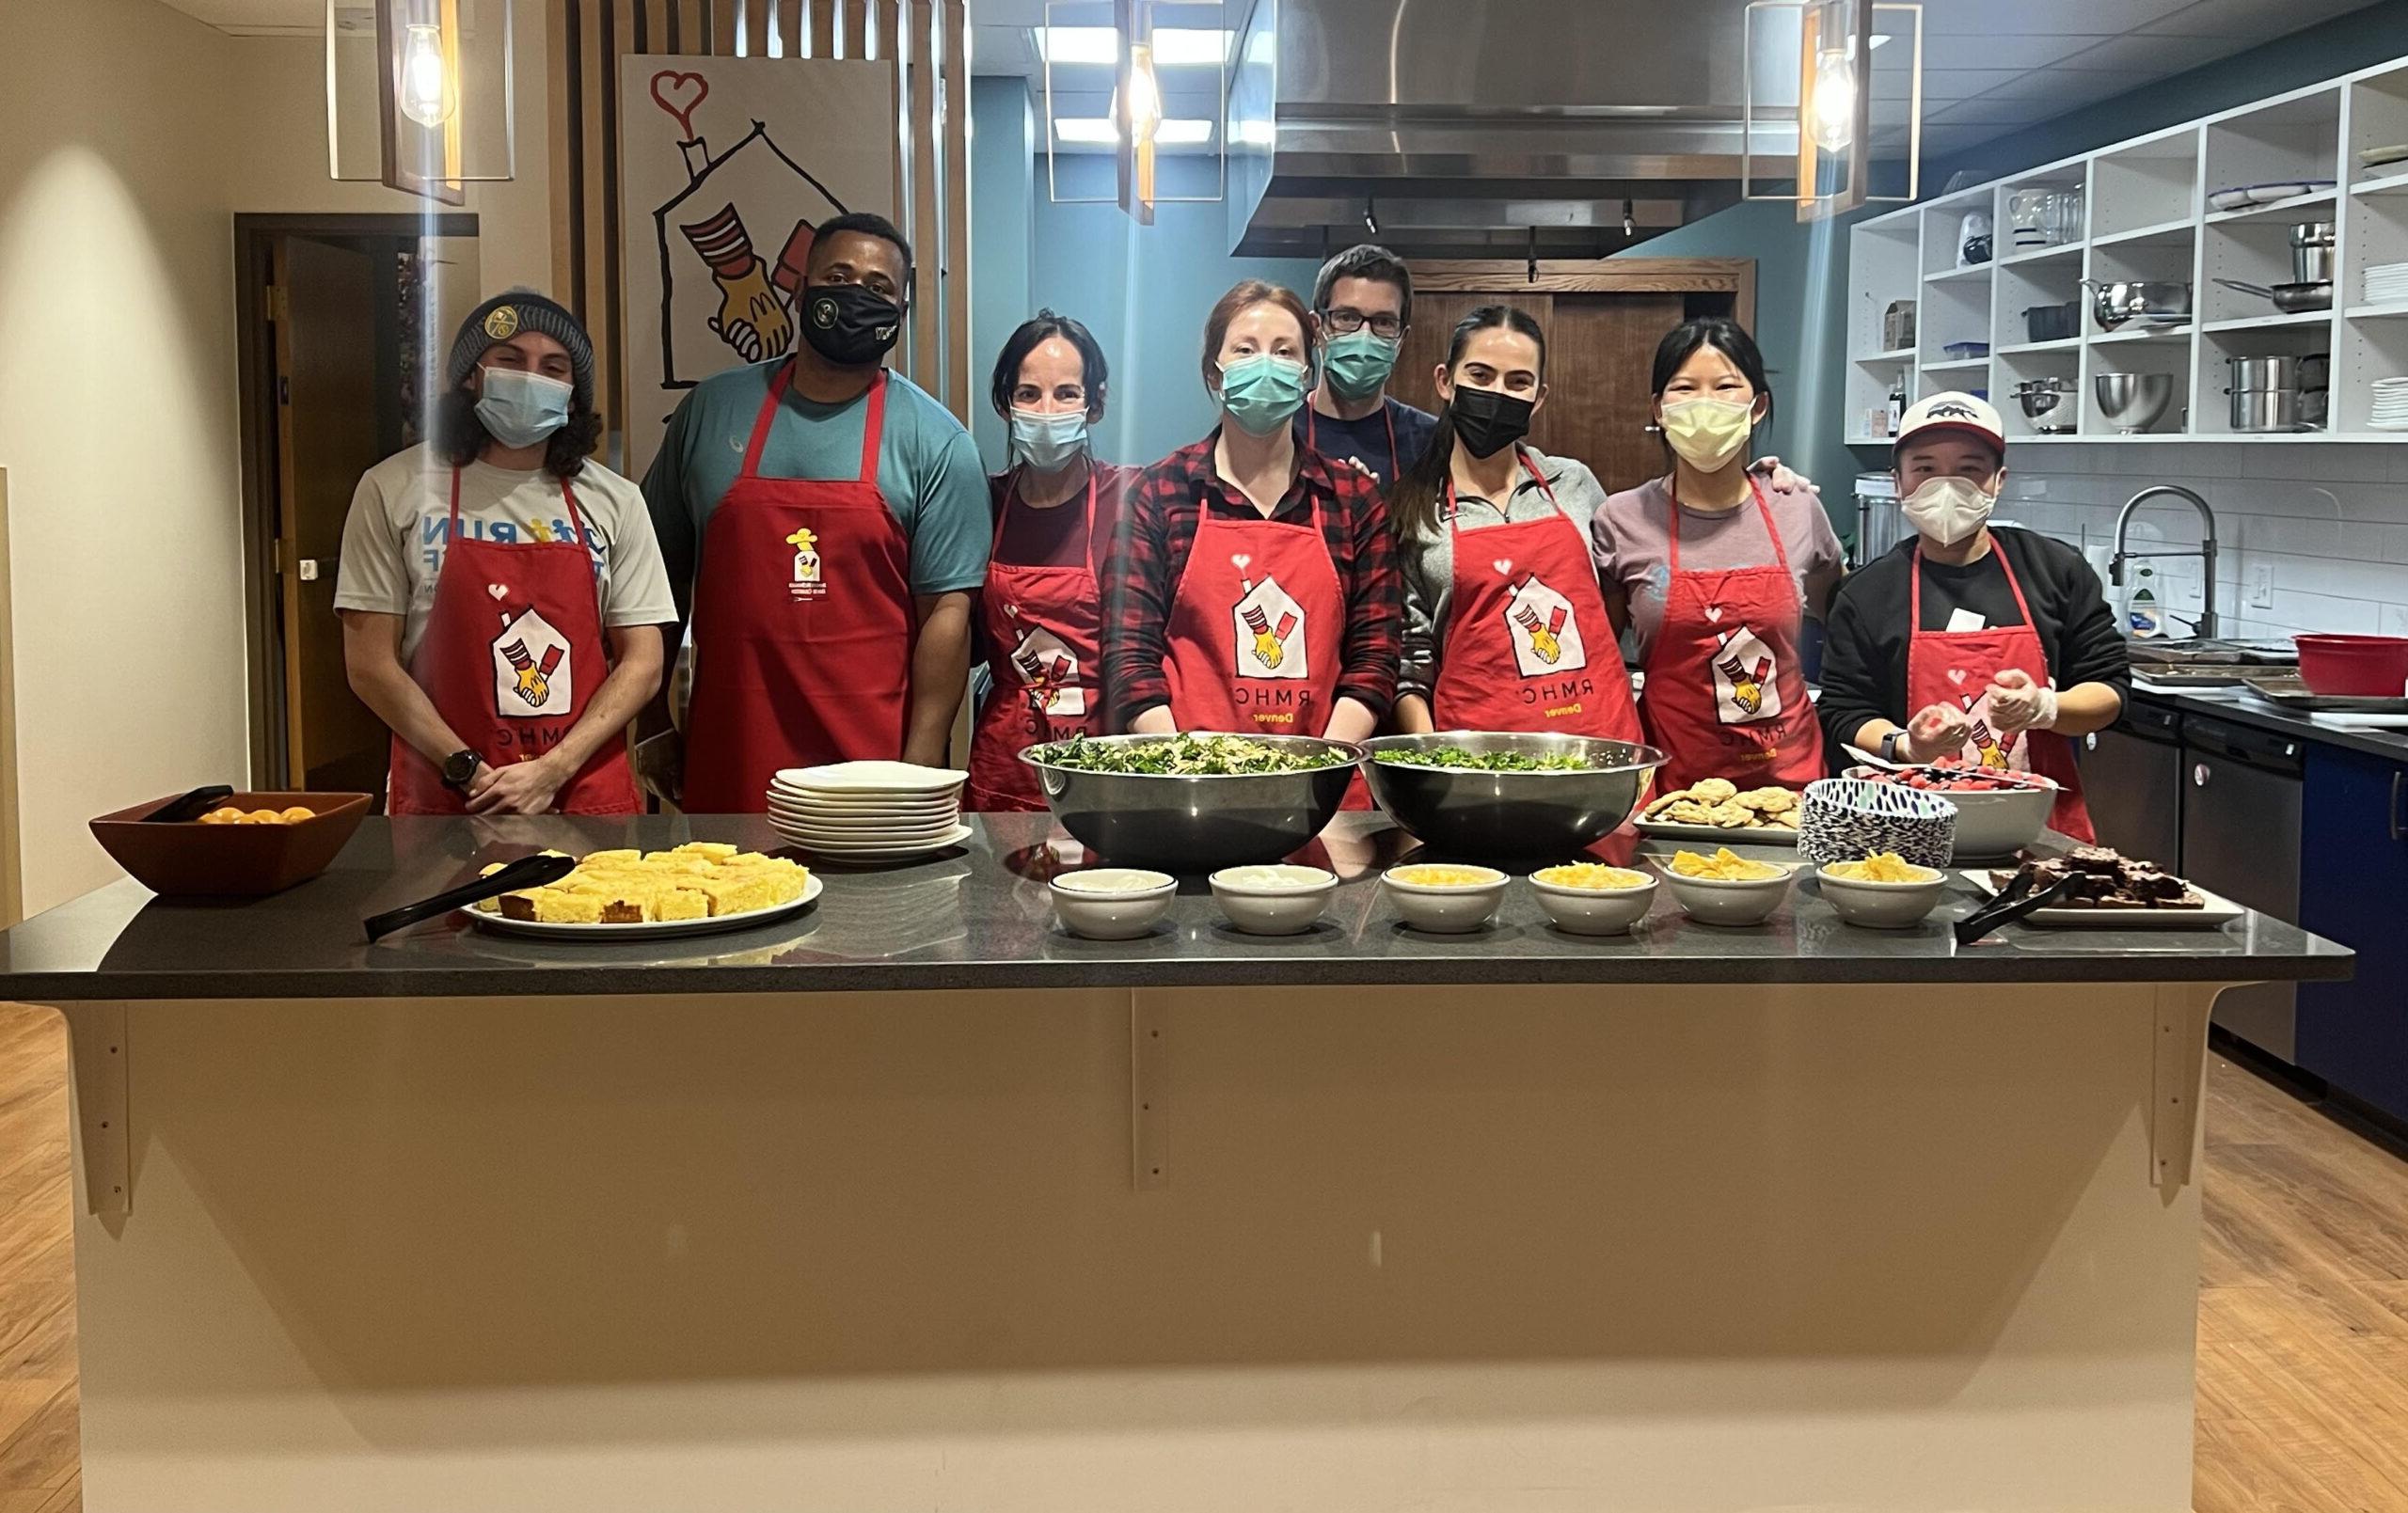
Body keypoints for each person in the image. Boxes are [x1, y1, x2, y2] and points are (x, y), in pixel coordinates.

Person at [643, 212, 989, 812]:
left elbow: (947, 618)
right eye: (839, 276)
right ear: (800, 290)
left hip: (874, 773)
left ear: (900, 314)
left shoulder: (938, 442)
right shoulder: (712, 411)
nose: (858, 296)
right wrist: (652, 723)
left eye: (880, 288)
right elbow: (654, 584)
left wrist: (921, 771)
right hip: (731, 753)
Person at [337, 292, 673, 815]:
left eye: (553, 367)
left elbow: (644, 663)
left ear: (572, 393)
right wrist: (466, 768)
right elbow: (370, 666)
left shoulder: (617, 500)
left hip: (580, 792)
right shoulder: (392, 488)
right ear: (472, 375)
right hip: (446, 794)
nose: (531, 377)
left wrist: (553, 769)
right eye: (510, 360)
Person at [1103, 279, 1400, 755]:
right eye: (1245, 349)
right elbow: (1130, 659)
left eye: (1284, 352)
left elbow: (1375, 658)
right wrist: (1193, 766)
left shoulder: (1354, 500)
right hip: (1190, 789)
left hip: (1326, 794)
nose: (1266, 364)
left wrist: (1322, 765)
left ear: (1306, 374)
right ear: (1215, 373)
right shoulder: (1159, 494)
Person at [1818, 393, 2127, 842]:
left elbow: (2110, 690)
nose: (1946, 486)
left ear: (1998, 480)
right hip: (1908, 829)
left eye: (1969, 469)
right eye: (1924, 469)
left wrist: (2045, 707)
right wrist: (1908, 744)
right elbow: (1845, 711)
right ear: (1899, 483)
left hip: (2039, 834)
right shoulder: (1868, 593)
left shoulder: (2055, 570)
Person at [1592, 317, 1844, 795]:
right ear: (1659, 409)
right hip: (1672, 788)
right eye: (1684, 388)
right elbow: (1601, 659)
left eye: (1726, 386)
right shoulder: (1620, 519)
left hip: (1790, 786)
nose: (1705, 403)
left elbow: (1841, 618)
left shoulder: (1798, 507)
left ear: (1757, 406)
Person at [1386, 304, 1642, 744]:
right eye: (1481, 376)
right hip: (1478, 759)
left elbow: (1616, 594)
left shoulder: (1574, 483)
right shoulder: (1413, 511)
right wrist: (1434, 757)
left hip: (1600, 741)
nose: (1498, 393)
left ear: (1539, 397)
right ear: (1445, 382)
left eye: (1518, 382)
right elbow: (1410, 662)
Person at [968, 310, 1141, 812]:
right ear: (1005, 404)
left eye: (1067, 393)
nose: (1047, 410)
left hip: (1107, 769)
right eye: (1028, 394)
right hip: (1005, 766)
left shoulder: (1132, 498)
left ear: (1095, 405)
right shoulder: (984, 503)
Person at [1293, 244, 1439, 489]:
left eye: (1383, 322)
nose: (1364, 335)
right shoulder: (1280, 432)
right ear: (1316, 328)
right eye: (1347, 317)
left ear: (1400, 339)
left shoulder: (1430, 441)